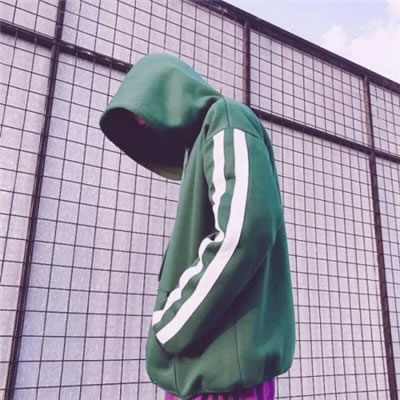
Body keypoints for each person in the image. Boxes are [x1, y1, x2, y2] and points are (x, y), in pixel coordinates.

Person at [99, 53, 296, 400]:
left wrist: (172, 325)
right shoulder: (203, 141)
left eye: (144, 110)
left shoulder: (226, 118)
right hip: (206, 368)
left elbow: (244, 231)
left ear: (170, 90)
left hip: (217, 374)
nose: (143, 124)